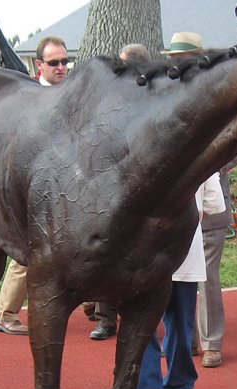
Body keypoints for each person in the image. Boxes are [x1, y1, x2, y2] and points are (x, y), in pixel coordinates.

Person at [130, 173, 225, 389]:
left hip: (146, 255)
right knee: (181, 325)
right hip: (186, 253)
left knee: (143, 331)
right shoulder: (205, 154)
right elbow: (210, 207)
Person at [0, 36, 69, 335]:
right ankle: (5, 313)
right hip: (32, 185)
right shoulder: (30, 95)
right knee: (28, 251)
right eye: (54, 63)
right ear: (39, 65)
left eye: (65, 61)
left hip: (65, 184)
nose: (61, 67)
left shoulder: (70, 92)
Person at [87, 43, 151, 341]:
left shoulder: (151, 98)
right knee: (105, 251)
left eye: (121, 65)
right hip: (107, 187)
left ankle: (125, 313)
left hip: (139, 189)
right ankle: (104, 317)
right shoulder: (109, 98)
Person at [196, 156, 237, 368]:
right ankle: (182, 339)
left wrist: (215, 165)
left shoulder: (225, 121)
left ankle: (211, 343)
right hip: (178, 209)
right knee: (176, 277)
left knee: (207, 276)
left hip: (212, 212)